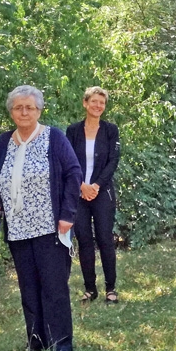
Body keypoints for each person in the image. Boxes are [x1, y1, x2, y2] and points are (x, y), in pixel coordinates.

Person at [0, 85, 82, 351]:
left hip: (50, 226)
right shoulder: (4, 142)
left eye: (29, 107)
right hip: (18, 228)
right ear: (11, 112)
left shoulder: (54, 137)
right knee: (28, 287)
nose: (24, 112)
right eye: (18, 107)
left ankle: (62, 345)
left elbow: (73, 173)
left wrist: (67, 215)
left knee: (53, 287)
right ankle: (36, 341)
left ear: (39, 110)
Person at [67, 86, 121, 304]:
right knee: (85, 241)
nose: (98, 106)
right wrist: (81, 186)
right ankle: (90, 288)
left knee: (105, 239)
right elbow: (67, 161)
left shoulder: (110, 130)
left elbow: (113, 161)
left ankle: (111, 288)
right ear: (85, 103)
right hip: (79, 193)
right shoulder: (73, 130)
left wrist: (96, 185)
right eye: (94, 101)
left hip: (102, 192)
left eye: (102, 102)